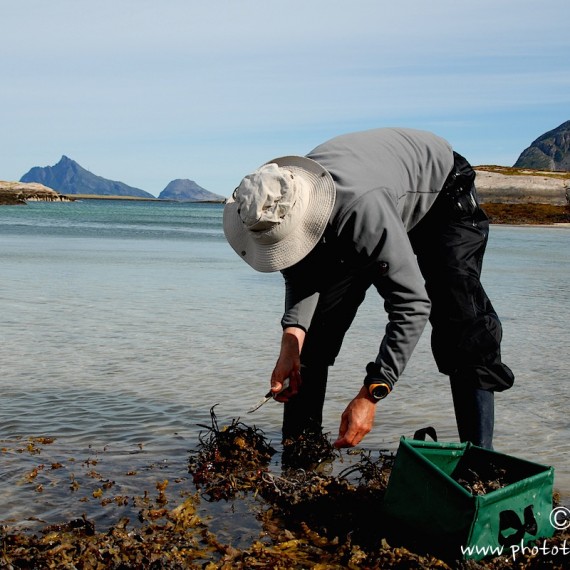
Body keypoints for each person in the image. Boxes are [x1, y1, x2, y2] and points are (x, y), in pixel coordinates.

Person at [223, 127, 514, 450]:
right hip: (369, 195)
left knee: (460, 321)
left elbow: (412, 305)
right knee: (312, 339)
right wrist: (291, 343)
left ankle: (479, 457)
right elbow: (302, 275)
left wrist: (373, 392)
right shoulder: (286, 202)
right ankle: (301, 460)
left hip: (440, 191)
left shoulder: (360, 213)